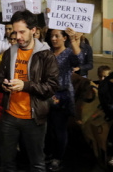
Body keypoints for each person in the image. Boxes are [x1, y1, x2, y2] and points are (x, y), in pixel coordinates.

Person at [0, 10, 59, 172]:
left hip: (34, 118)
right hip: (9, 115)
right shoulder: (10, 53)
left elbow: (51, 87)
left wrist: (25, 85)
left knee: (37, 163)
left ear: (33, 30)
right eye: (15, 32)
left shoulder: (46, 56)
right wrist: (2, 85)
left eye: (22, 32)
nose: (18, 37)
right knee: (6, 162)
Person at [44, 27, 84, 171]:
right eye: (52, 36)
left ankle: (58, 158)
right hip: (47, 95)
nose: (53, 39)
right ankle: (48, 154)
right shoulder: (48, 52)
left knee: (59, 128)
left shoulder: (68, 53)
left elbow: (79, 60)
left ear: (64, 38)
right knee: (47, 129)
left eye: (57, 36)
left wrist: (74, 41)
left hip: (62, 96)